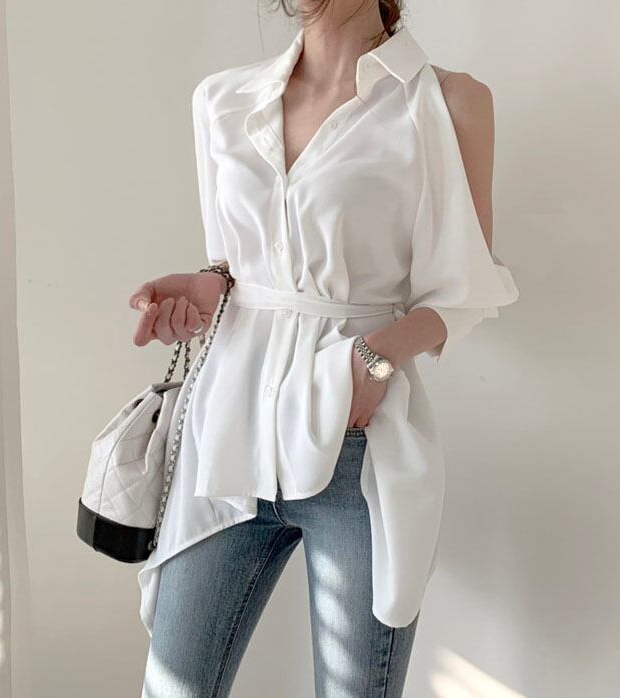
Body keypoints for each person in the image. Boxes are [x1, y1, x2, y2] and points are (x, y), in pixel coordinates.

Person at [132, 1, 519, 696]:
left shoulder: (445, 102)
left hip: (354, 444)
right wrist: (207, 285)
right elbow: (243, 265)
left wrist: (374, 361)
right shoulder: (223, 100)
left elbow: (465, 291)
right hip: (229, 436)